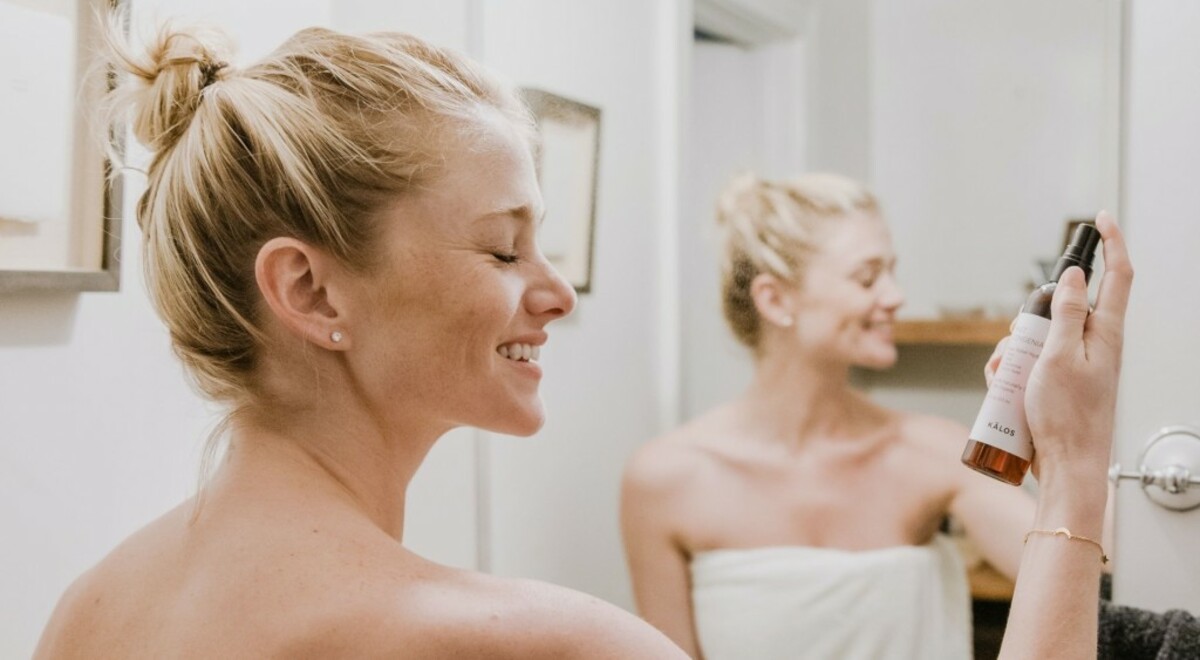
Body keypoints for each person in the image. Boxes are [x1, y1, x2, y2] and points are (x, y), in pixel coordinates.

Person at [32, 16, 1128, 659]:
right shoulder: (535, 644)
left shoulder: (89, 613)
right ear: (312, 293)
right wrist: (1074, 475)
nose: (557, 294)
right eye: (505, 250)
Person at [621, 172, 1131, 659]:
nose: (895, 296)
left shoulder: (932, 451)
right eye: (868, 278)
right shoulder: (664, 480)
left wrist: (1070, 443)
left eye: (892, 271)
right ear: (775, 299)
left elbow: (1094, 561)